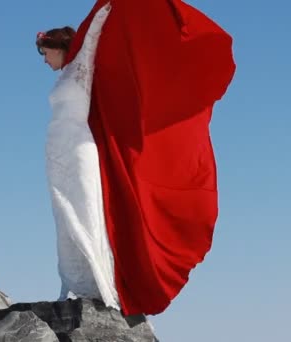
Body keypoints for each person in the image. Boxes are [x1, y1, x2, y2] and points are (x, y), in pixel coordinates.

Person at [37, 0, 235, 316]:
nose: (44, 61)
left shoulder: (83, 65)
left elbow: (103, 29)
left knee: (87, 213)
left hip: (80, 153)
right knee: (68, 217)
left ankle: (102, 287)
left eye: (44, 53)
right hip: (62, 160)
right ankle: (80, 284)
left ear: (57, 46)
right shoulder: (70, 74)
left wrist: (111, 8)